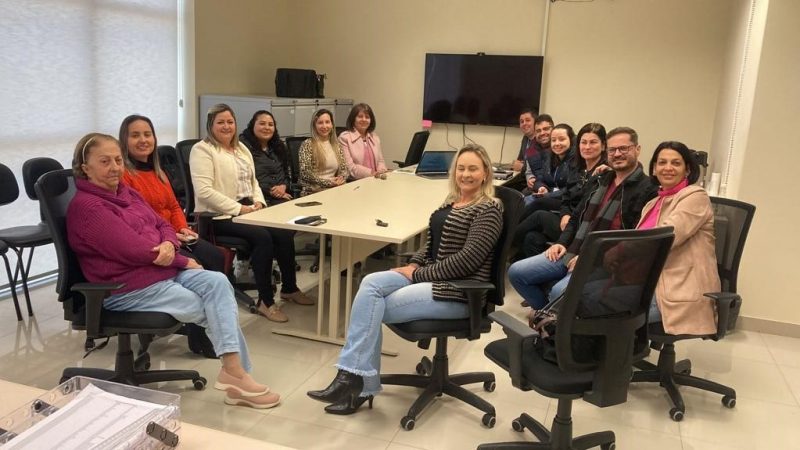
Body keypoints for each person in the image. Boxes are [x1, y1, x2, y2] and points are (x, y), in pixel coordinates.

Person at [67, 132, 280, 409]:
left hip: (160, 271)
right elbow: (133, 250)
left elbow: (163, 224)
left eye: (118, 160)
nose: (115, 167)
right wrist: (179, 259)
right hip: (125, 287)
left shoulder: (125, 191)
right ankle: (237, 376)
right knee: (210, 307)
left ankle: (234, 374)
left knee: (217, 283)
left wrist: (169, 242)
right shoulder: (88, 207)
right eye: (104, 161)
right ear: (86, 168)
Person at [307, 144, 503, 415]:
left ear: (485, 174)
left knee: (371, 310)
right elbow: (431, 245)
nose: (466, 174)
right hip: (432, 278)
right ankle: (352, 379)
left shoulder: (489, 210)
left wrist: (418, 274)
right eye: (461, 168)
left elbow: (467, 261)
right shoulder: (452, 201)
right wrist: (414, 263)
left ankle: (357, 384)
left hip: (457, 292)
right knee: (371, 284)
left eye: (473, 169)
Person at [508, 127, 657, 310]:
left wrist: (588, 257)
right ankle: (550, 319)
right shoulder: (600, 179)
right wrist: (562, 242)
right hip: (574, 248)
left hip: (603, 261)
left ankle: (554, 321)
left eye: (623, 148)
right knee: (516, 273)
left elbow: (631, 238)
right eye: (612, 150)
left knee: (558, 292)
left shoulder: (648, 189)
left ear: (637, 149)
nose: (617, 154)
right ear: (606, 151)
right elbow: (577, 216)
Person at [190, 104, 313, 323]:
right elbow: (204, 192)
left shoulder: (241, 149)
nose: (226, 126)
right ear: (210, 125)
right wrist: (240, 209)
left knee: (283, 232)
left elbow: (253, 181)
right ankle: (265, 301)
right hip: (217, 216)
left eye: (230, 121)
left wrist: (258, 201)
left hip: (247, 209)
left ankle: (289, 288)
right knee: (262, 236)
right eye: (220, 122)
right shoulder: (202, 150)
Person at [119, 114, 224, 357]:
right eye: (135, 135)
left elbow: (175, 206)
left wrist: (182, 228)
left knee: (215, 257)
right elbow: (139, 218)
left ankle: (206, 325)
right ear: (124, 140)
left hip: (173, 233)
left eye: (147, 134)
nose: (143, 140)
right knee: (204, 263)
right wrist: (170, 235)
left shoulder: (158, 171)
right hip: (154, 240)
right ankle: (199, 337)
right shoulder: (125, 175)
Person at [636, 141, 719, 334]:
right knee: (587, 296)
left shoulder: (695, 196)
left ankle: (614, 361)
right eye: (662, 162)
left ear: (687, 170)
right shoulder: (654, 203)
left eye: (676, 163)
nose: (668, 168)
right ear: (654, 169)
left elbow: (664, 238)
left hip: (679, 291)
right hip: (652, 282)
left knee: (606, 308)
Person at [512, 123, 607, 260]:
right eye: (584, 142)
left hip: (579, 226)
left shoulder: (603, 172)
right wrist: (565, 214)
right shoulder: (578, 168)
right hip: (566, 215)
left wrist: (553, 199)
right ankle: (534, 272)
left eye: (593, 142)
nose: (587, 147)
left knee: (539, 211)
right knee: (532, 237)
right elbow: (567, 197)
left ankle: (505, 240)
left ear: (603, 146)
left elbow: (582, 204)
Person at [238, 110, 293, 205]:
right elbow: (247, 178)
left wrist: (284, 186)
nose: (267, 128)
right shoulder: (243, 147)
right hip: (258, 199)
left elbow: (286, 174)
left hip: (282, 195)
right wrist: (272, 191)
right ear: (252, 126)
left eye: (271, 125)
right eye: (262, 124)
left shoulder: (278, 146)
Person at [298, 109, 347, 195]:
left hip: (334, 188)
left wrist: (341, 178)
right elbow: (305, 173)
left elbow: (344, 169)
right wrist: (327, 182)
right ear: (314, 126)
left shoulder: (336, 145)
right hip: (313, 191)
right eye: (320, 123)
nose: (324, 126)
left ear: (332, 125)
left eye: (327, 122)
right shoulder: (307, 144)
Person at [338, 103, 388, 180]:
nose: (364, 119)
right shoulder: (344, 138)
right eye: (360, 116)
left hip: (375, 179)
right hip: (355, 182)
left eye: (367, 117)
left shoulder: (374, 137)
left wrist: (381, 170)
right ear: (353, 119)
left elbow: (380, 161)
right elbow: (350, 167)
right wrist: (371, 173)